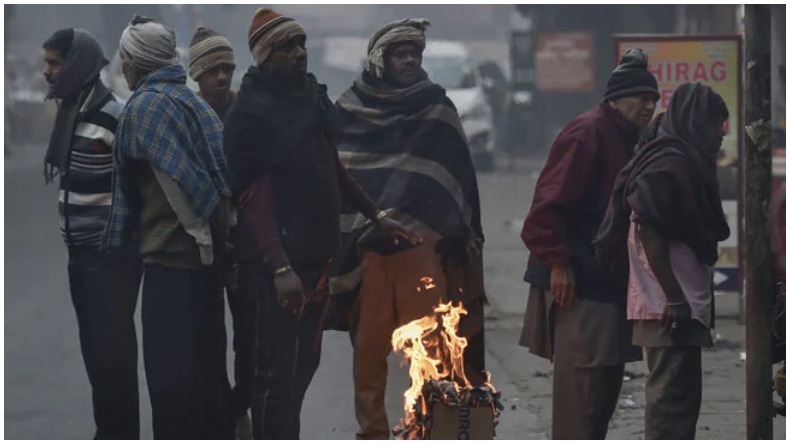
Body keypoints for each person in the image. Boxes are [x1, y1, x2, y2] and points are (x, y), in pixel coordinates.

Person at [222, 8, 418, 440]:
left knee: (301, 372)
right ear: (263, 56)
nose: (299, 53)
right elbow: (253, 196)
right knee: (274, 378)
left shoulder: (309, 98)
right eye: (287, 47)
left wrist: (375, 213)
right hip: (278, 270)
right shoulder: (252, 113)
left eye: (301, 44)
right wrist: (278, 267)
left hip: (315, 262)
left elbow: (331, 167)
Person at [328, 18, 486, 440]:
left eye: (414, 53)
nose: (410, 60)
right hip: (370, 253)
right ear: (380, 59)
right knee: (369, 352)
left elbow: (459, 178)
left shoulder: (436, 106)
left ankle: (432, 430)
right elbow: (335, 174)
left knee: (434, 348)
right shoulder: (348, 107)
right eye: (401, 54)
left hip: (421, 249)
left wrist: (462, 240)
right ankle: (374, 431)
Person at [102, 15, 232, 439]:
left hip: (171, 262)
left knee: (171, 384)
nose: (123, 65)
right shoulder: (192, 102)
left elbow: (176, 185)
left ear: (136, 62)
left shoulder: (143, 109)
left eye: (125, 57)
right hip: (207, 263)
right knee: (208, 375)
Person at [518, 48, 658, 439]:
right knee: (582, 395)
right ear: (616, 99)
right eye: (641, 98)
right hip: (577, 281)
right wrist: (559, 263)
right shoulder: (587, 132)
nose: (649, 106)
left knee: (605, 391)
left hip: (609, 281)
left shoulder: (629, 137)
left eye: (654, 100)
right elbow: (547, 208)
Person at [594, 82, 731, 439]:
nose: (721, 134)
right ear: (696, 121)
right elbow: (650, 233)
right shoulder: (669, 164)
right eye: (717, 124)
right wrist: (673, 297)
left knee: (679, 400)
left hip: (675, 304)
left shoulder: (678, 159)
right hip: (669, 308)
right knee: (672, 403)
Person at [41, 28, 143, 439]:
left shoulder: (112, 114)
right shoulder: (72, 111)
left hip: (110, 258)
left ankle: (120, 433)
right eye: (46, 63)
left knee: (112, 355)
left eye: (54, 63)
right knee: (95, 355)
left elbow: (139, 182)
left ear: (77, 64)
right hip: (80, 256)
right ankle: (109, 430)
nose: (47, 72)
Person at [188, 26, 253, 440]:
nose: (222, 76)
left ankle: (240, 406)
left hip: (247, 243)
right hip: (202, 245)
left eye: (227, 68)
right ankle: (222, 415)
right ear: (197, 73)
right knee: (206, 336)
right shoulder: (188, 115)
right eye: (213, 69)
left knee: (248, 338)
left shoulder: (245, 111)